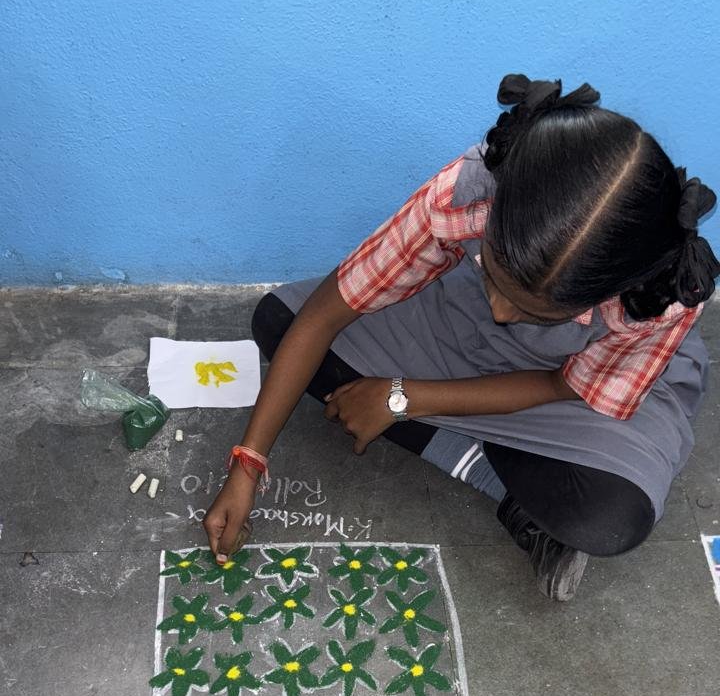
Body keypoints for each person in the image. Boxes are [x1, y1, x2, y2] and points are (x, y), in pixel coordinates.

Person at [203, 73, 719, 601]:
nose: (500, 311)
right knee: (280, 323)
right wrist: (248, 463)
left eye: (531, 310)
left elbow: (561, 386)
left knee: (611, 517)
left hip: (568, 389)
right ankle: (504, 471)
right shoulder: (471, 190)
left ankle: (481, 460)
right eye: (494, 274)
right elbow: (322, 317)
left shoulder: (663, 295)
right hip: (451, 326)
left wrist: (402, 397)